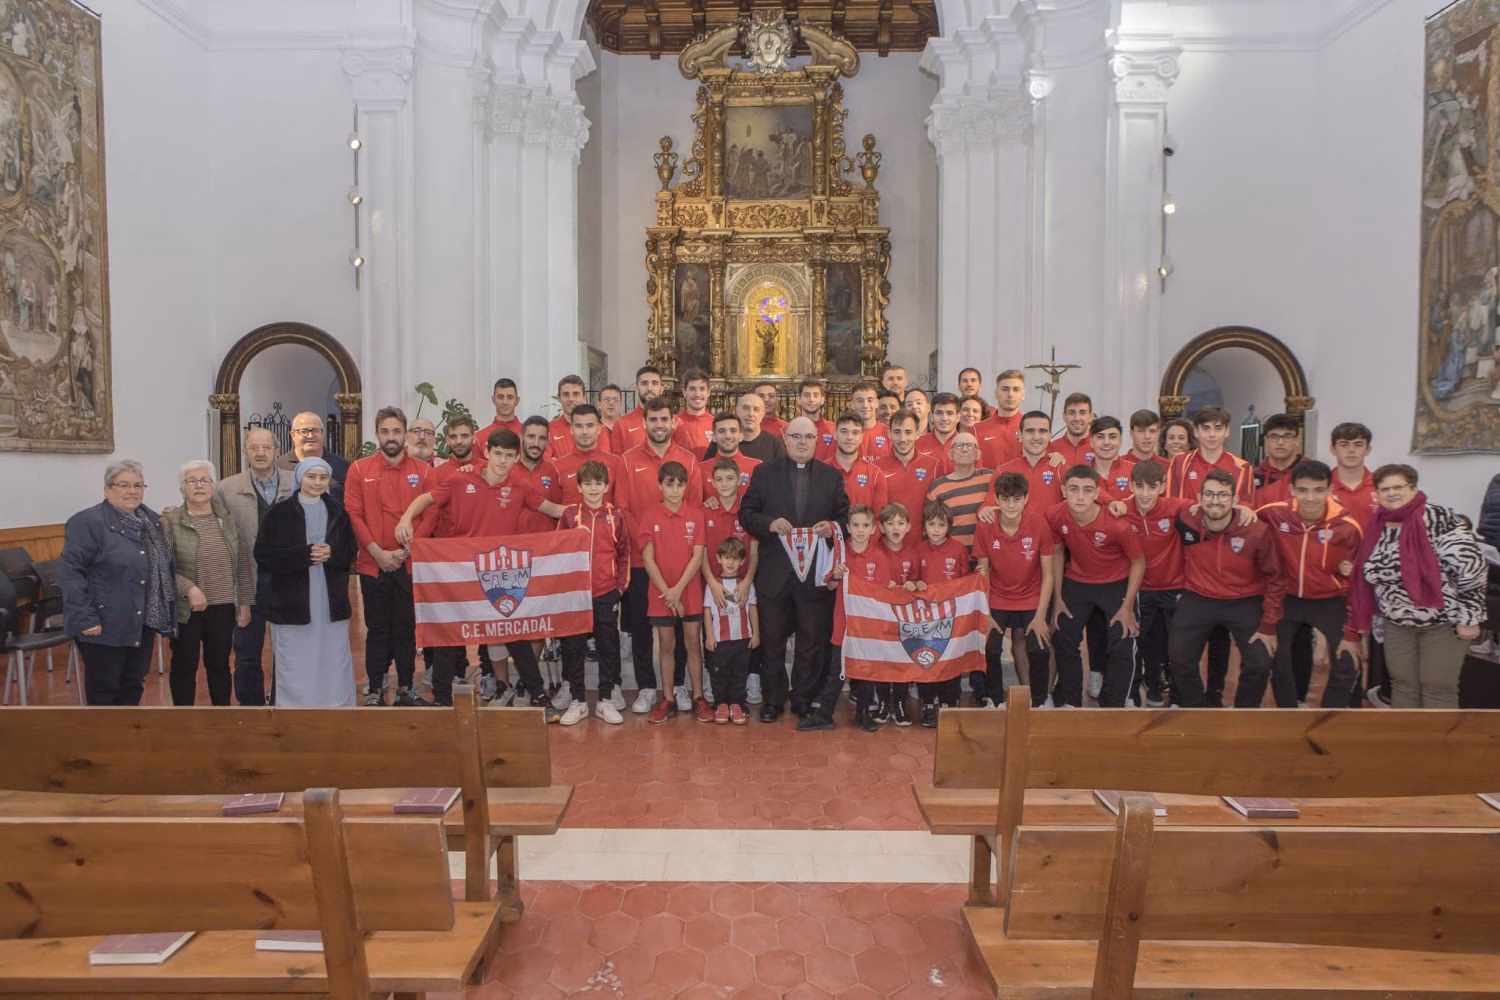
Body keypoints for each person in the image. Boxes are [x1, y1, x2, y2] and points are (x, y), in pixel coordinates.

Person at [394, 429, 565, 711]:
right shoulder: (461, 478)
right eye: (498, 453)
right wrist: (405, 518)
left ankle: (539, 696)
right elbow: (427, 499)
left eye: (509, 455)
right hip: (463, 569)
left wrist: (591, 512)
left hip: (500, 570)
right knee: (449, 633)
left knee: (515, 633)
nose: (502, 461)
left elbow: (553, 509)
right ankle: (441, 699)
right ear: (486, 452)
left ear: (516, 457)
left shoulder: (520, 484)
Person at [1349, 464, 1486, 708]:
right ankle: (1408, 742)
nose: (1392, 493)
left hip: (1442, 622)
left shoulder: (1437, 518)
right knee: (1402, 684)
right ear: (1377, 494)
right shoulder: (1377, 524)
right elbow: (1371, 568)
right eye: (1384, 489)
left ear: (1413, 488)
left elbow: (1471, 566)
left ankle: (1438, 744)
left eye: (1398, 487)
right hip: (1396, 623)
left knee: (1437, 685)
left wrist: (1470, 616)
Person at [740, 415, 849, 722]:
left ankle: (803, 697)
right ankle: (773, 699)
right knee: (772, 640)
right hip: (775, 573)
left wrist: (831, 526)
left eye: (809, 437)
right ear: (785, 439)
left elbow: (845, 516)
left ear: (817, 441)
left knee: (810, 639)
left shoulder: (831, 477)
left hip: (815, 575)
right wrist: (769, 524)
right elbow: (747, 513)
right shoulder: (764, 473)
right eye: (797, 437)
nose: (803, 443)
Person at [60, 460, 176, 706]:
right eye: (123, 485)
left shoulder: (151, 521)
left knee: (133, 683)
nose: (132, 491)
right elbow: (71, 573)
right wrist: (85, 618)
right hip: (103, 623)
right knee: (105, 688)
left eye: (138, 485)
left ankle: (126, 741)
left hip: (142, 620)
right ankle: (104, 743)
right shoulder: (87, 522)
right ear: (107, 489)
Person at [1168, 469, 1285, 708]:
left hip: (1244, 599)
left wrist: (1269, 624)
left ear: (1234, 500)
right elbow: (1155, 503)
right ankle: (1197, 710)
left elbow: (1276, 578)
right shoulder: (1187, 519)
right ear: (1199, 498)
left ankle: (1243, 713)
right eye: (1209, 494)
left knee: (1260, 661)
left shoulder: (1256, 531)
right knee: (1179, 657)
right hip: (1198, 597)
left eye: (1222, 495)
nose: (1215, 500)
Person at [1256, 460, 1366, 708]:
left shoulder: (1348, 528)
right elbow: (1244, 528)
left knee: (1347, 659)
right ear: (1292, 490)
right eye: (1303, 490)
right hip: (1288, 598)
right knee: (1276, 656)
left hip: (1330, 600)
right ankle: (1290, 711)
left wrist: (1352, 631)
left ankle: (1329, 715)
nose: (1310, 498)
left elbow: (1357, 582)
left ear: (1329, 490)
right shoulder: (1272, 513)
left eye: (1318, 490)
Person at [344, 406, 433, 707]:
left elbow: (430, 514)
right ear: (377, 434)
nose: (391, 437)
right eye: (385, 431)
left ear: (406, 434)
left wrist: (406, 551)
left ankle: (407, 688)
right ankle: (374, 690)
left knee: (406, 629)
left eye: (397, 431)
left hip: (409, 564)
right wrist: (378, 553)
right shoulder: (358, 470)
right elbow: (354, 516)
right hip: (373, 564)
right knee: (378, 629)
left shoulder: (423, 472)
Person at [618, 397, 701, 714]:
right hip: (643, 561)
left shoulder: (688, 461)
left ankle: (678, 684)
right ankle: (645, 687)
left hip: (681, 564)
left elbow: (692, 507)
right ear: (644, 423)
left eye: (664, 419)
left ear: (673, 422)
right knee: (641, 626)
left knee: (679, 628)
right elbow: (624, 507)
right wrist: (647, 541)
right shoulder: (627, 460)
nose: (659, 425)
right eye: (653, 419)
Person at [254, 458, 358, 707]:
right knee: (296, 658)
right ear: (300, 479)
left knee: (332, 656)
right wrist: (304, 555)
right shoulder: (279, 512)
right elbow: (264, 554)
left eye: (322, 478)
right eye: (311, 477)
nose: (317, 482)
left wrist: (332, 554)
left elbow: (350, 552)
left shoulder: (338, 512)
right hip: (293, 601)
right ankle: (295, 707)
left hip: (329, 599)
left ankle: (335, 705)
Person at [1047, 466, 1144, 707]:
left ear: (1097, 493)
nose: (1080, 497)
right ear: (1063, 491)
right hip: (1077, 581)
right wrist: (1058, 597)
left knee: (1121, 640)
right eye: (1074, 490)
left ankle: (1115, 704)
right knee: (1063, 636)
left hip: (1115, 583)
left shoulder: (1117, 524)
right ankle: (1071, 702)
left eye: (1087, 490)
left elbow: (1138, 562)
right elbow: (1058, 551)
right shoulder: (1055, 515)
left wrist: (1128, 605)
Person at [160, 461, 254, 706]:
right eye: (191, 481)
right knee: (184, 666)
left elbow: (242, 564)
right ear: (182, 489)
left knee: (220, 666)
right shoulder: (169, 522)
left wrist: (244, 603)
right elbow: (163, 569)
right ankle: (184, 721)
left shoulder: (228, 521)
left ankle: (221, 717)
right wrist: (188, 589)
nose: (199, 485)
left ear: (213, 487)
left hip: (222, 607)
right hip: (186, 610)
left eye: (205, 480)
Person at [218, 427, 292, 705]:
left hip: (288, 580)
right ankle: (250, 706)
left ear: (276, 451)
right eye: (254, 448)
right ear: (244, 452)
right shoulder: (226, 488)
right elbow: (210, 523)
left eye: (266, 448)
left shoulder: (295, 481)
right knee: (247, 649)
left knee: (287, 648)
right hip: (248, 580)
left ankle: (284, 701)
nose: (260, 453)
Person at [557, 460, 631, 726]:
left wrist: (619, 588)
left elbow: (623, 554)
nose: (593, 488)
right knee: (573, 647)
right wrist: (565, 589)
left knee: (607, 647)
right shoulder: (568, 516)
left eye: (598, 483)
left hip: (605, 592)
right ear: (578, 486)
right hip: (576, 595)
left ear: (606, 486)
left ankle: (605, 698)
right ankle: (577, 700)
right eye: (587, 483)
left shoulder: (616, 515)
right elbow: (558, 553)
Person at [973, 472, 1053, 708]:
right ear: (996, 499)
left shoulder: (1039, 524)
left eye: (1016, 499)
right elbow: (983, 573)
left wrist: (1040, 616)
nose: (1010, 505)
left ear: (1026, 499)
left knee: (1039, 647)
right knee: (989, 647)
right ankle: (994, 699)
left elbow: (1048, 574)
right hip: (997, 596)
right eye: (1005, 499)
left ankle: (1040, 700)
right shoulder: (985, 526)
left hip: (1031, 596)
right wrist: (985, 615)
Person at [1116, 459, 1189, 707]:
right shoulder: (1121, 509)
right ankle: (1140, 693)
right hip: (1140, 590)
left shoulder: (1177, 507)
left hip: (1174, 587)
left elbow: (1207, 508)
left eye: (1152, 487)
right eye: (1140, 486)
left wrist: (1241, 509)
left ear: (1163, 486)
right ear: (1131, 486)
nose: (1145, 493)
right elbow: (1101, 504)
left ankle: (1179, 697)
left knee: (1178, 647)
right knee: (1140, 643)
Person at [642, 462, 709, 723]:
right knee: (666, 645)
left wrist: (678, 590)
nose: (674, 489)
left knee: (693, 643)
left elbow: (698, 555)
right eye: (669, 484)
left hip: (688, 590)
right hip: (661, 592)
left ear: (685, 486)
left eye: (679, 484)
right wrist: (667, 592)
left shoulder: (695, 515)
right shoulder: (650, 516)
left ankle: (699, 697)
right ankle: (668, 697)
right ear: (660, 485)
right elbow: (648, 559)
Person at [822, 504, 890, 732]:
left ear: (873, 529)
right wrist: (836, 575)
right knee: (837, 671)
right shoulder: (840, 552)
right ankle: (824, 714)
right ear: (848, 527)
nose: (861, 530)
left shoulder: (879, 557)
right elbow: (830, 586)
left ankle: (863, 713)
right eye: (856, 525)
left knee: (867, 672)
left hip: (868, 627)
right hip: (844, 624)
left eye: (866, 525)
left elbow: (883, 593)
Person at [912, 501, 970, 726]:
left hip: (950, 615)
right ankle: (927, 702)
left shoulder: (957, 549)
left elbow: (966, 581)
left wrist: (980, 575)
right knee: (926, 658)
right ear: (924, 527)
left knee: (949, 659)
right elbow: (914, 579)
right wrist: (914, 585)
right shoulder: (919, 550)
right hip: (925, 617)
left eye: (941, 525)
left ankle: (947, 700)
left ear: (949, 527)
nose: (936, 529)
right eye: (931, 524)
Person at [873, 501, 920, 725]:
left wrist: (914, 584)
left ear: (909, 526)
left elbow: (919, 581)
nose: (895, 528)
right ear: (881, 527)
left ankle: (900, 704)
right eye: (890, 523)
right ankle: (883, 702)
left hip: (903, 618)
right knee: (882, 658)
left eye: (901, 523)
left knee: (902, 658)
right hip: (881, 617)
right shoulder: (875, 551)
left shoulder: (912, 553)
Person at [703, 536, 758, 725]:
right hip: (720, 640)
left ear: (743, 561)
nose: (731, 562)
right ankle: (721, 704)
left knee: (739, 674)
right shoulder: (713, 586)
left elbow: (752, 608)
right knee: (720, 674)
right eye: (726, 557)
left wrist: (756, 634)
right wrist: (709, 636)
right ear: (718, 558)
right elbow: (708, 611)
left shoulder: (745, 585)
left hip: (742, 640)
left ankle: (736, 704)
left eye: (735, 558)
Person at [875, 409, 946, 531]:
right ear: (889, 433)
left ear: (917, 434)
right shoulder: (876, 467)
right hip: (889, 545)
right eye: (897, 432)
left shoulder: (934, 465)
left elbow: (940, 510)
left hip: (923, 544)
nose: (903, 438)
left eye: (908, 432)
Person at [925, 432, 991, 552]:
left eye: (970, 446)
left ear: (978, 454)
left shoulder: (991, 478)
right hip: (951, 560)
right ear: (950, 454)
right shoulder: (937, 486)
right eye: (959, 446)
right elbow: (929, 525)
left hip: (986, 560)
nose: (965, 449)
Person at [554, 403, 626, 506]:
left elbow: (622, 505)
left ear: (599, 429)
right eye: (579, 426)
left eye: (590, 426)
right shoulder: (557, 467)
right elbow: (555, 507)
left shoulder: (616, 463)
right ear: (571, 430)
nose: (584, 432)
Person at [997, 411, 1065, 515]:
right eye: (1030, 431)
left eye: (1042, 431)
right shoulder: (1002, 471)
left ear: (1050, 435)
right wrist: (985, 510)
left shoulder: (1061, 468)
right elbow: (988, 507)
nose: (1036, 437)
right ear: (1020, 434)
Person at [276, 411, 350, 504]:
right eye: (304, 431)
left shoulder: (342, 466)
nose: (310, 436)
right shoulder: (279, 467)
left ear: (323, 434)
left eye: (316, 431)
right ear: (293, 435)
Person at [829, 410, 889, 511]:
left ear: (861, 437)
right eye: (844, 431)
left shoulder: (875, 474)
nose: (849, 437)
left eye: (855, 432)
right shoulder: (820, 471)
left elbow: (879, 519)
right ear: (835, 435)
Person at [1328, 422, 1379, 527]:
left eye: (1358, 444)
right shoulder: (1321, 485)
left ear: (1368, 450)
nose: (1351, 450)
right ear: (1333, 449)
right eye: (1344, 444)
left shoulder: (1381, 485)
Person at [700, 412, 760, 497]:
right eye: (722, 431)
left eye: (733, 431)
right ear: (713, 437)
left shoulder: (757, 467)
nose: (728, 436)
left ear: (741, 436)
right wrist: (704, 505)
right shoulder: (701, 469)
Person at [974, 370, 1025, 468]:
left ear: (1023, 394)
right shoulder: (978, 429)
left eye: (1016, 389)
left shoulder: (1032, 428)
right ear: (996, 393)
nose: (1010, 394)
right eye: (1005, 389)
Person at [613, 366, 669, 454]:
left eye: (654, 383)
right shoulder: (621, 424)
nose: (650, 388)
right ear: (636, 389)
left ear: (662, 389)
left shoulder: (675, 423)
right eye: (644, 383)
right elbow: (617, 462)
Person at [1251, 413, 1303, 507]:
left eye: (1287, 436)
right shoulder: (1252, 476)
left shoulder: (1312, 473)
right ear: (1266, 440)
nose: (1280, 442)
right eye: (1274, 437)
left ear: (1297, 441)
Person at [731, 392, 787, 464]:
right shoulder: (725, 442)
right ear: (737, 411)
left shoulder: (775, 445)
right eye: (746, 408)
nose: (751, 414)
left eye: (756, 409)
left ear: (763, 414)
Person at [1089, 416, 1132, 503]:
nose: (1106, 442)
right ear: (1091, 442)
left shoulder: (1135, 471)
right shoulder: (1080, 474)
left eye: (1112, 437)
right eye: (1100, 437)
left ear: (1121, 442)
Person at [544, 374, 588, 460]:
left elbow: (602, 464)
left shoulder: (599, 429)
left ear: (584, 397)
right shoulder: (548, 430)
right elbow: (546, 466)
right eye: (566, 394)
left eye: (576, 394)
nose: (571, 399)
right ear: (559, 398)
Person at [672, 369, 715, 454]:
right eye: (692, 389)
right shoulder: (673, 422)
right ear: (684, 392)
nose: (697, 394)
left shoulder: (716, 424)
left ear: (708, 392)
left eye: (702, 389)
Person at [795, 378, 838, 461]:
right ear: (799, 400)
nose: (811, 399)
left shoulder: (834, 429)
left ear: (822, 400)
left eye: (815, 395)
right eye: (807, 395)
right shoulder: (789, 430)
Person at [848, 383, 892, 461]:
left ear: (877, 403)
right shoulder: (846, 434)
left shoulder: (890, 433)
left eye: (870, 400)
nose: (865, 405)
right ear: (852, 405)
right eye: (860, 400)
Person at [1052, 393, 1096, 467]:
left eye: (1082, 413)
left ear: (1090, 416)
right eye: (1072, 413)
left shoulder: (1100, 448)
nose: (1077, 418)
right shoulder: (1051, 448)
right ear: (1064, 416)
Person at [919, 391, 961, 469]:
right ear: (931, 416)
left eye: (949, 413)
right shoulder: (917, 444)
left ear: (958, 417)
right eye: (939, 413)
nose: (944, 418)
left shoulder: (968, 446)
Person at [477, 377, 524, 442]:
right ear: (493, 400)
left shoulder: (528, 436)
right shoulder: (480, 438)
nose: (505, 402)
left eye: (510, 398)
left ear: (517, 401)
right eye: (500, 397)